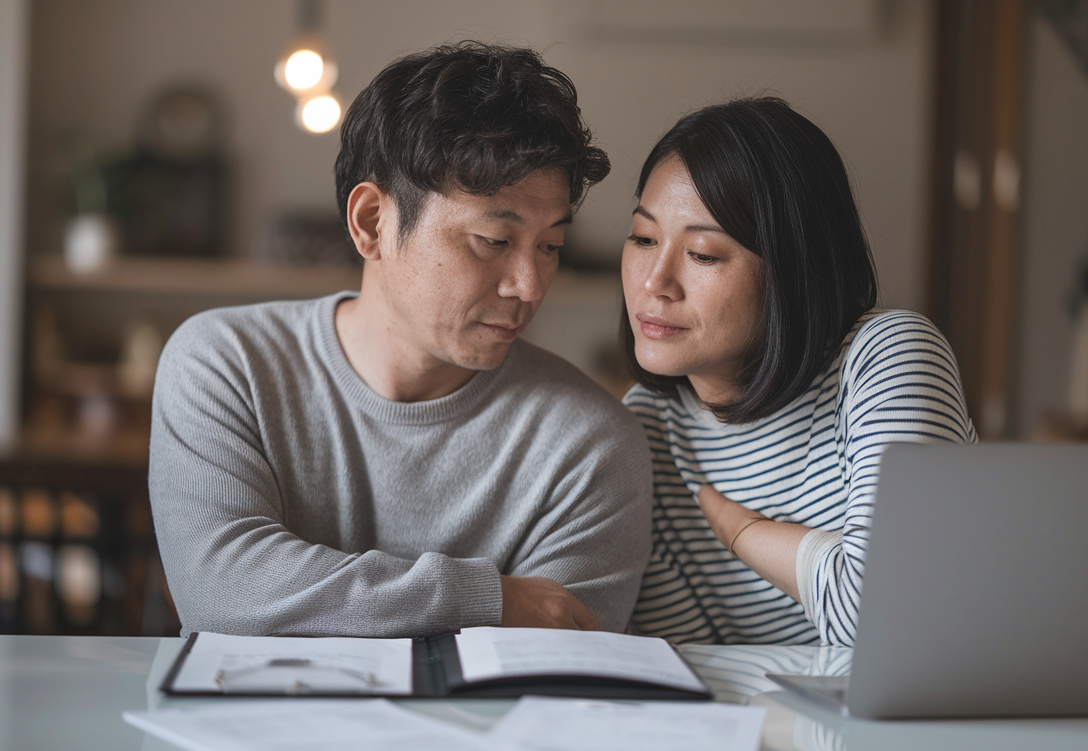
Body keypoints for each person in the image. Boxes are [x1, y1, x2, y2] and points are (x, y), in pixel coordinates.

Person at [149, 42, 652, 639]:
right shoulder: (226, 364)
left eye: (550, 246)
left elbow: (549, 665)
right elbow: (219, 590)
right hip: (230, 733)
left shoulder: (589, 446)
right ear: (371, 223)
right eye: (494, 240)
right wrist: (487, 597)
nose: (530, 284)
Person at [620, 97, 976, 647]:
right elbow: (696, 670)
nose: (654, 282)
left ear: (790, 268)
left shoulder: (887, 356)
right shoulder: (642, 432)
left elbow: (897, 621)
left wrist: (744, 532)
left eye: (704, 254)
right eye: (643, 239)